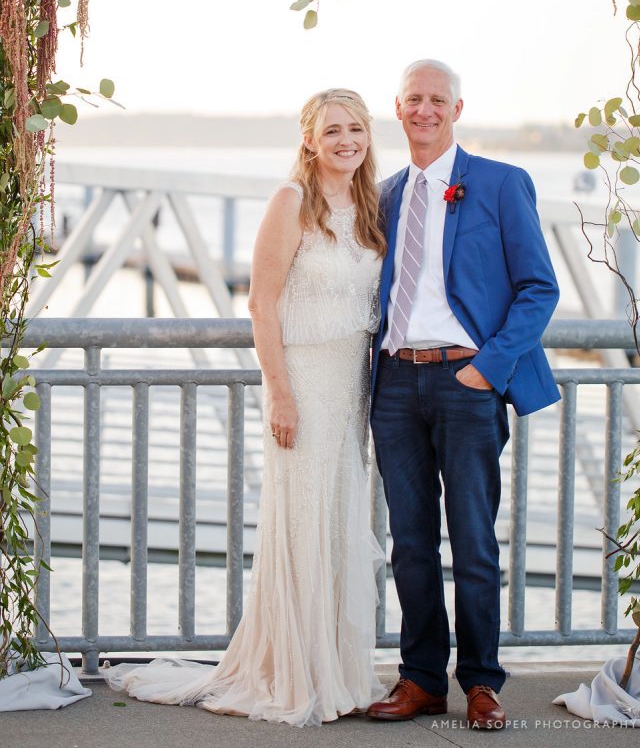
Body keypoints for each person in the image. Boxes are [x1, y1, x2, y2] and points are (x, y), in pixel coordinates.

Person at [104, 89, 386, 726]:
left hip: (351, 387)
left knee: (340, 521)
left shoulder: (369, 204)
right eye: (333, 130)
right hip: (304, 384)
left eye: (357, 129)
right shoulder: (291, 201)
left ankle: (336, 671)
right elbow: (262, 305)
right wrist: (279, 393)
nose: (347, 140)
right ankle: (292, 672)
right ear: (309, 140)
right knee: (303, 523)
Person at [366, 60, 560, 730]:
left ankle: (480, 681)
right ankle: (420, 678)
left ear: (456, 108)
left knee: (473, 539)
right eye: (414, 99)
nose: (425, 109)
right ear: (397, 108)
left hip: (465, 382)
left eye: (437, 99)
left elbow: (539, 288)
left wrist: (487, 368)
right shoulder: (385, 194)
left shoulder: (502, 185)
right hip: (393, 382)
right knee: (409, 542)